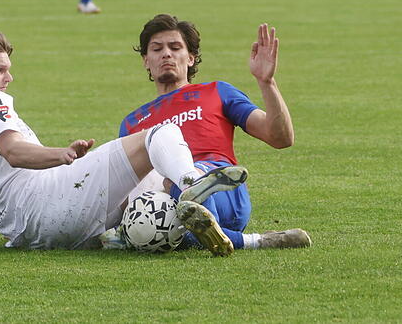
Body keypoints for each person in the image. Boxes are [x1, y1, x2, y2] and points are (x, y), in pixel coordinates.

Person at [0, 29, 247, 255]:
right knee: (161, 135)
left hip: (30, 236)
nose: (9, 77)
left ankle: (126, 234)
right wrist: (61, 155)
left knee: (154, 179)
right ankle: (192, 183)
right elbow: (12, 151)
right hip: (49, 201)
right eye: (0, 69)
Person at [114, 14, 311, 250]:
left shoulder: (217, 92)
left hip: (223, 189)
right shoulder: (133, 123)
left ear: (190, 58)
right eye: (157, 49)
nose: (166, 53)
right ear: (146, 60)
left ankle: (194, 198)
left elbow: (281, 138)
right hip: (166, 201)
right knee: (158, 202)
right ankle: (256, 241)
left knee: (182, 180)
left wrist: (267, 82)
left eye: (175, 47)